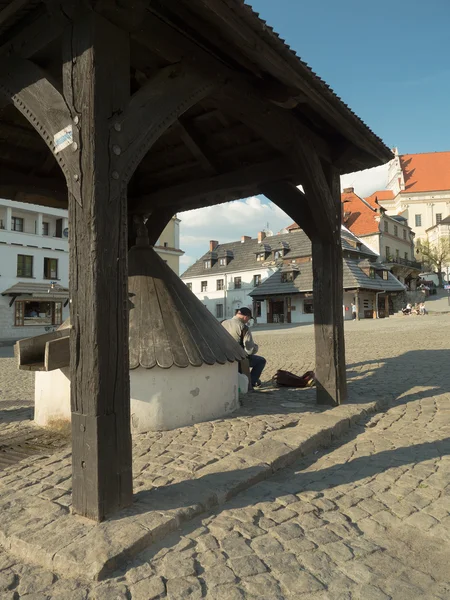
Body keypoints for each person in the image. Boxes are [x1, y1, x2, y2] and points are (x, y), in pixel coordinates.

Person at [221, 307, 266, 388]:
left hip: (222, 355)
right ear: (246, 317)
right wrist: (256, 347)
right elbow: (249, 350)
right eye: (248, 319)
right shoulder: (243, 327)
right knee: (261, 361)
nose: (248, 321)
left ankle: (255, 380)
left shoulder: (222, 322)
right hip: (237, 357)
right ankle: (250, 383)